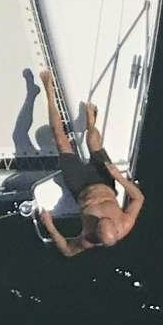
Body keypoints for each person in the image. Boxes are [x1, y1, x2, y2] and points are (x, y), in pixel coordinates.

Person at [33, 66, 144, 257]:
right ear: (115, 226)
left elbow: (68, 251)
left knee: (60, 139)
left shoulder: (88, 239)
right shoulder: (126, 223)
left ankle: (49, 92)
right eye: (104, 219)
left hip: (79, 187)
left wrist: (50, 225)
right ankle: (91, 123)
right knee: (92, 140)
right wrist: (118, 177)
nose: (100, 217)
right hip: (103, 181)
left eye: (98, 222)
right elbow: (139, 198)